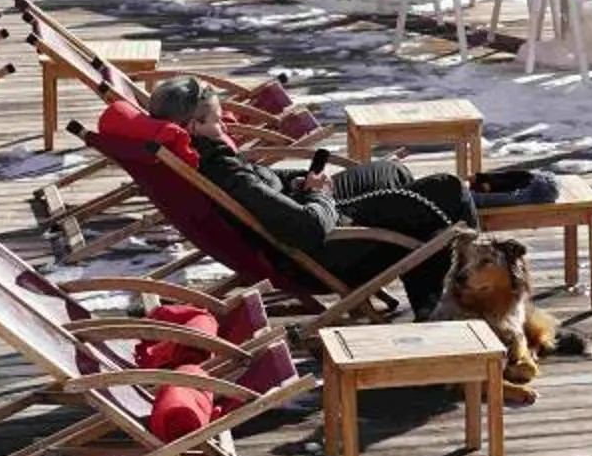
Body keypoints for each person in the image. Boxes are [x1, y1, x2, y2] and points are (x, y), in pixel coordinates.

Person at [144, 75, 480, 318]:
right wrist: (320, 197)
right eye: (218, 121)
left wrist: (299, 183)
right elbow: (305, 227)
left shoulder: (198, 157)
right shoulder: (222, 171)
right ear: (192, 127)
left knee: (391, 173)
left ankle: (428, 295)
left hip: (296, 221)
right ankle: (465, 300)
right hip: (318, 251)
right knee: (447, 192)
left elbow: (262, 189)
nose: (226, 128)